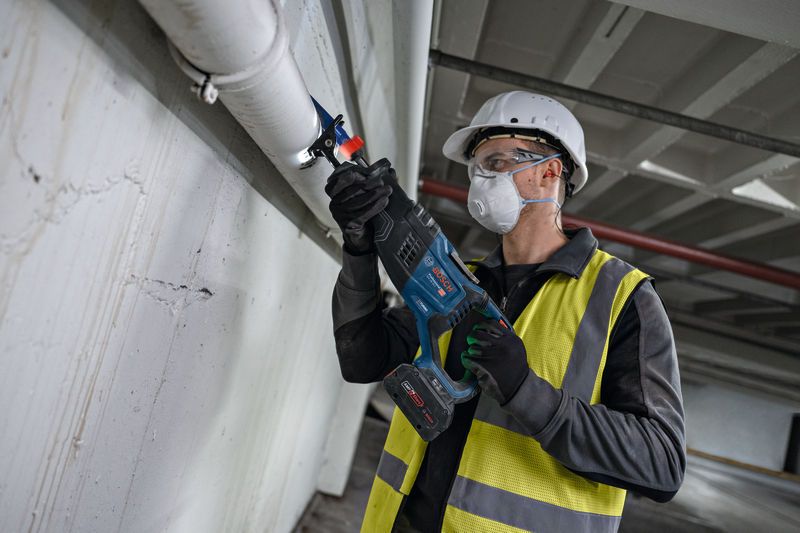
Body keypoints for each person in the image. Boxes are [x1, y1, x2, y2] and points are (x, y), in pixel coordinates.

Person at [325, 91, 685, 533]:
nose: (480, 180)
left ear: (550, 172)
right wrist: (360, 251)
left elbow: (661, 464)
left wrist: (525, 391)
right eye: (476, 167)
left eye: (496, 164)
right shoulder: (461, 282)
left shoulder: (622, 298)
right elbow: (360, 358)